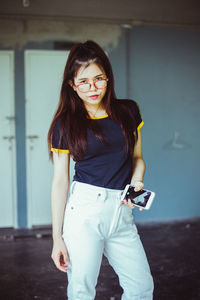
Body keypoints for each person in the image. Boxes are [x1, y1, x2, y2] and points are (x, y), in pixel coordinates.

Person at [48, 40, 154, 300]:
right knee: (82, 291)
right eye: (83, 81)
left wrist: (137, 181)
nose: (92, 88)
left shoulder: (128, 111)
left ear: (108, 78)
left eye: (99, 78)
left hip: (122, 211)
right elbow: (60, 181)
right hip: (84, 212)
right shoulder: (66, 123)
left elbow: (137, 157)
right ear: (72, 84)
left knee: (141, 288)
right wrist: (56, 238)